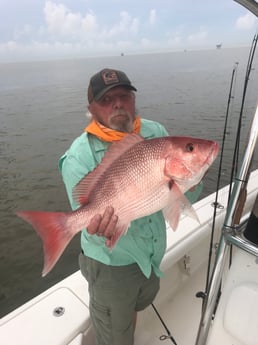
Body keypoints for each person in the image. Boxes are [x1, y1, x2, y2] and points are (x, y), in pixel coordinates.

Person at [58, 68, 202, 345]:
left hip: (151, 256)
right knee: (115, 336)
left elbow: (175, 199)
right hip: (112, 267)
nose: (118, 104)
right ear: (91, 109)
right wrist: (92, 227)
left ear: (133, 99)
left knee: (136, 306)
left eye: (124, 96)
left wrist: (191, 185)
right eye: (106, 99)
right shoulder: (77, 157)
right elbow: (90, 226)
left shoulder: (155, 132)